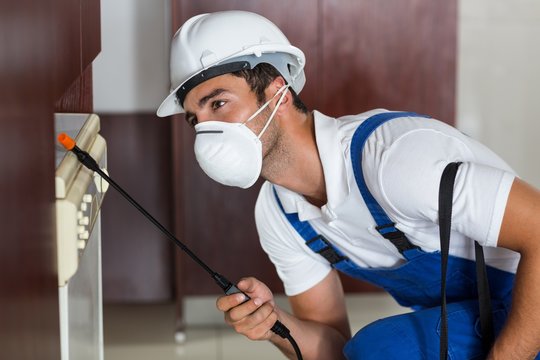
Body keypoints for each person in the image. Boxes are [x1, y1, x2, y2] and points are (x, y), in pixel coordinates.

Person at [157, 10, 540, 360]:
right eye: (195, 119)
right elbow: (336, 350)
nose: (207, 131)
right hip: (479, 316)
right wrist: (274, 326)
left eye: (218, 104)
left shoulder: (394, 159)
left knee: (381, 349)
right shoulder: (279, 214)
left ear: (277, 91)